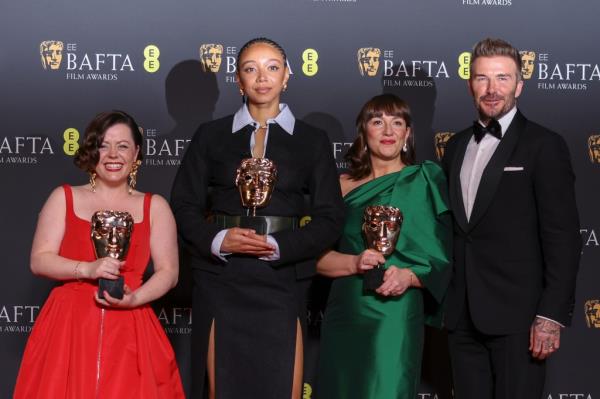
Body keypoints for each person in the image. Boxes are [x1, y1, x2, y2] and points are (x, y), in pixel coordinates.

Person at [170, 37, 344, 399]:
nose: (262, 77)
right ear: (238, 80)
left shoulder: (312, 140)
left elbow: (330, 217)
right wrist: (218, 240)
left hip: (282, 280)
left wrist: (280, 246)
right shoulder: (210, 135)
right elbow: (184, 205)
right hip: (221, 279)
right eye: (251, 68)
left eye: (272, 67)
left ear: (287, 76)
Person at [441, 38, 581, 399]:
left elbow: (563, 236)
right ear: (470, 83)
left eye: (502, 78)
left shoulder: (544, 145)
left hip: (520, 319)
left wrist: (550, 316)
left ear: (519, 85)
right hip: (462, 317)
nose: (492, 89)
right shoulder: (455, 147)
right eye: (482, 78)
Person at [14, 111, 185, 398]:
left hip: (131, 320)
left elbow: (169, 272)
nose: (113, 154)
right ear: (92, 151)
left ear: (137, 152)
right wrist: (87, 269)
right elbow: (40, 259)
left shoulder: (154, 206)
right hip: (69, 325)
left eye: (123, 146)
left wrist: (134, 300)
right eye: (104, 145)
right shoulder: (64, 197)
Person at [316, 94, 452, 399]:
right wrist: (354, 263)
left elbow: (443, 258)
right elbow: (316, 258)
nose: (388, 131)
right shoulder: (339, 186)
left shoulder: (425, 180)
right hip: (346, 309)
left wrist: (409, 277)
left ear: (407, 134)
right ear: (364, 133)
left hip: (397, 312)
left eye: (397, 123)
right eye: (378, 122)